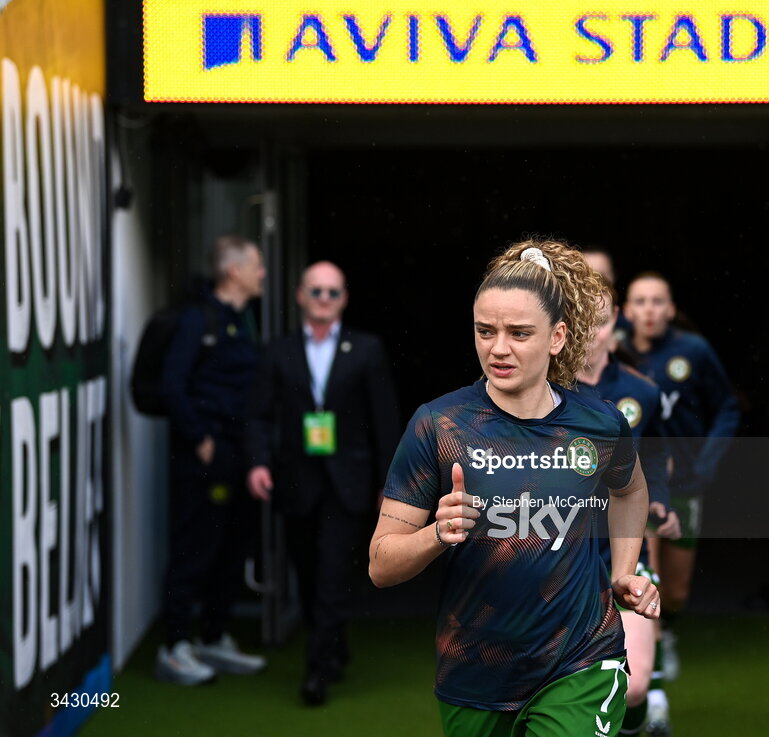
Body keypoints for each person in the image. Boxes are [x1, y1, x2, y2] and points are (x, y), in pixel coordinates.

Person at [369, 239, 661, 737]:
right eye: (486, 331)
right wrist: (437, 533)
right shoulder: (438, 425)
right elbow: (380, 565)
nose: (498, 348)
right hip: (475, 670)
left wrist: (622, 571)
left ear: (557, 337)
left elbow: (631, 492)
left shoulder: (600, 424)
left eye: (519, 333)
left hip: (581, 658)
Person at [246, 261, 400, 706]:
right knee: (309, 573)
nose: (324, 300)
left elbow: (383, 420)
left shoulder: (366, 349)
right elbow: (257, 412)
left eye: (333, 292)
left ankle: (317, 670)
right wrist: (257, 463)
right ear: (300, 295)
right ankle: (333, 641)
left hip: (347, 481)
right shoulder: (278, 351)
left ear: (344, 298)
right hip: (295, 480)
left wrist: (391, 483)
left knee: (333, 572)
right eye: (316, 291)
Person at [156, 234, 268, 685]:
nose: (263, 273)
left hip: (241, 455)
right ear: (233, 271)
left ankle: (214, 637)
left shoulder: (246, 321)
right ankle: (174, 646)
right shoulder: (195, 319)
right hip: (205, 457)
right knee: (194, 546)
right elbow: (171, 386)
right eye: (257, 265)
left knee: (231, 547)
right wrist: (201, 438)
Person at [622, 272, 740, 681]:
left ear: (671, 310)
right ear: (626, 310)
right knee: (643, 576)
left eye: (657, 301)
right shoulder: (612, 351)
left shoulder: (693, 351)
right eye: (640, 301)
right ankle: (647, 677)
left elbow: (727, 406)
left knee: (675, 591)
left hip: (685, 487)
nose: (649, 310)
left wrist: (706, 463)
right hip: (634, 487)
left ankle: (665, 632)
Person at [576, 281, 675, 737]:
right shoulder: (546, 392)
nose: (591, 331)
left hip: (624, 550)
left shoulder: (643, 392)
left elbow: (655, 457)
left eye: (599, 320)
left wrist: (661, 501)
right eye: (581, 320)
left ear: (615, 319)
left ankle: (634, 725)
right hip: (564, 553)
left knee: (633, 688)